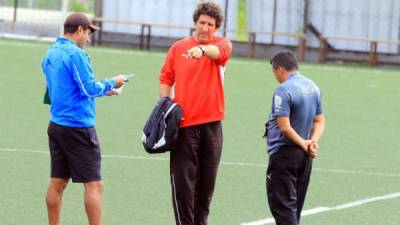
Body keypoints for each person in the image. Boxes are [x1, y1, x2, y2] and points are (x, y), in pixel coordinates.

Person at [41, 12, 125, 225]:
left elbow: (56, 89)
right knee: (94, 185)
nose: (89, 38)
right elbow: (88, 88)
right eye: (88, 32)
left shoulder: (51, 53)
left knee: (57, 182)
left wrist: (102, 91)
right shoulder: (77, 54)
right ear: (79, 30)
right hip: (78, 128)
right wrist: (111, 83)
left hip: (56, 125)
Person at [158, 1, 232, 225]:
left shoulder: (222, 45)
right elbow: (165, 78)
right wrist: (164, 106)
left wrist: (201, 50)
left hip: (212, 126)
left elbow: (218, 53)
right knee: (183, 185)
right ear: (195, 23)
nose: (205, 28)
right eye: (202, 22)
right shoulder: (178, 48)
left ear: (216, 27)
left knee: (206, 185)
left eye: (210, 24)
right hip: (183, 126)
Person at [264, 50, 325, 225]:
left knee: (283, 209)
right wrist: (312, 142)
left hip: (284, 156)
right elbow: (319, 121)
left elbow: (285, 127)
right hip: (304, 159)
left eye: (275, 72)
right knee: (294, 210)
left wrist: (304, 143)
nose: (275, 76)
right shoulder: (313, 87)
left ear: (280, 69)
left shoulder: (283, 90)